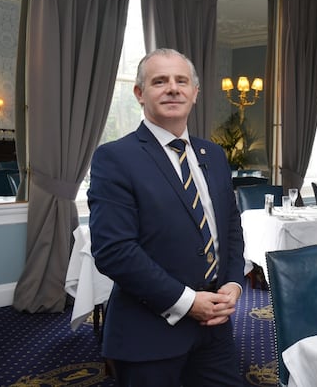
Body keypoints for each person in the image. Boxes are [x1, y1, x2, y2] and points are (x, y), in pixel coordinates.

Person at [89, 48, 245, 386]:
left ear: (195, 93)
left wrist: (233, 282)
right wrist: (187, 302)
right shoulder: (115, 158)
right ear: (139, 94)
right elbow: (114, 250)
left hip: (216, 329)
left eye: (181, 81)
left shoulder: (214, 154)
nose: (172, 88)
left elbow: (230, 227)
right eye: (159, 81)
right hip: (150, 333)